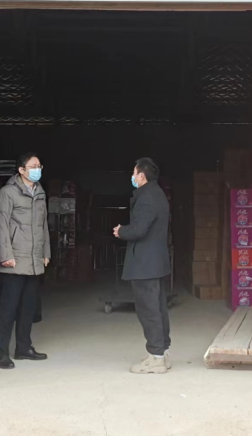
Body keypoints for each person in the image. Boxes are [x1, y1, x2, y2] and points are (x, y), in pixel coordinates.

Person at [0, 152, 50, 369]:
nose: (37, 169)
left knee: (28, 308)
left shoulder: (40, 193)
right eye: (33, 166)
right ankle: (0, 353)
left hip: (34, 261)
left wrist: (45, 252)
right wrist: (5, 255)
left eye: (39, 165)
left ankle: (24, 348)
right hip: (14, 260)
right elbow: (0, 225)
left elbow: (43, 226)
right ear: (21, 170)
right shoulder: (7, 193)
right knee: (8, 309)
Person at [114, 157, 172, 374]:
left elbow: (139, 229)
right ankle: (162, 352)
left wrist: (121, 231)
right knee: (158, 308)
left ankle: (156, 357)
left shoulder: (146, 197)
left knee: (148, 310)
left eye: (134, 173)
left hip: (145, 263)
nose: (132, 177)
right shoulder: (158, 194)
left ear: (141, 176)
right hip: (155, 262)